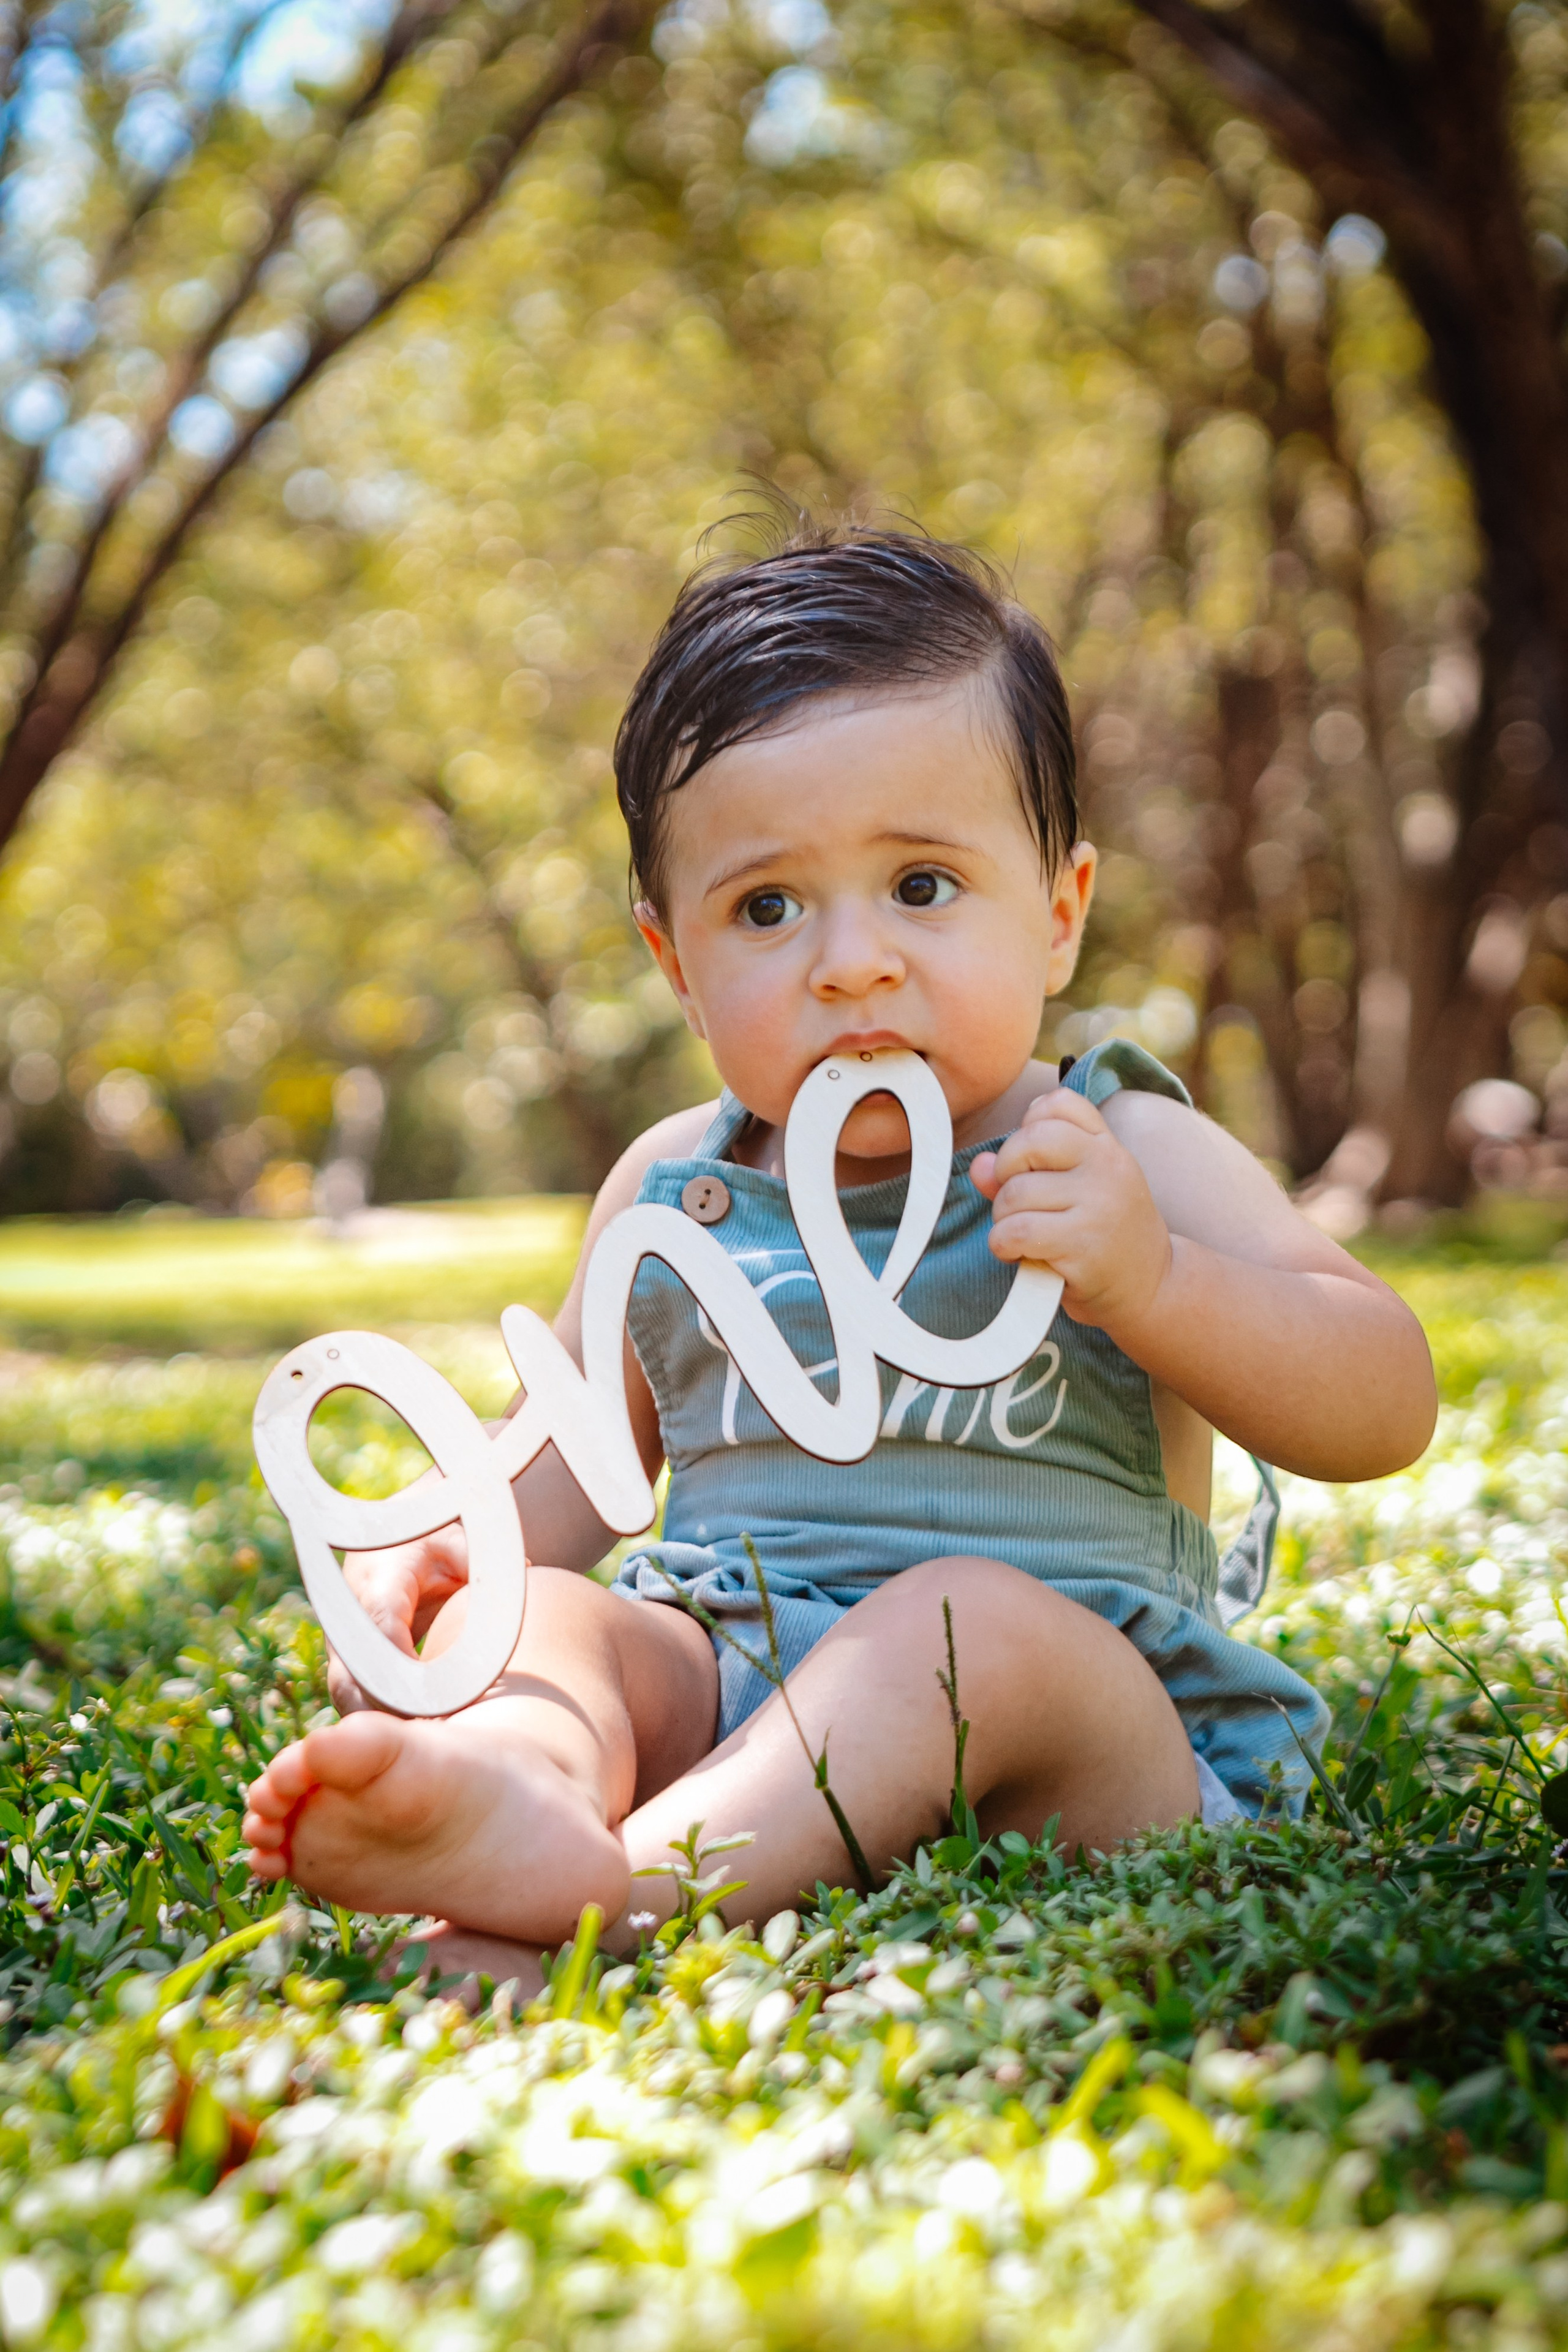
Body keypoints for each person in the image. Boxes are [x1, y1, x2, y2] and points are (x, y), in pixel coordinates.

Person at [243, 518, 1437, 1988]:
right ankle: (528, 1791)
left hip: (1080, 1739)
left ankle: (619, 1899)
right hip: (742, 1699)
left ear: (1056, 917)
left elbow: (1385, 1401)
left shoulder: (1120, 1147)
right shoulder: (678, 1193)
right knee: (564, 1623)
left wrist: (1156, 1282)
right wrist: (445, 1564)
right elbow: (558, 1475)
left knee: (960, 1625)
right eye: (765, 906)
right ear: (675, 961)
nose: (849, 960)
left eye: (921, 885)